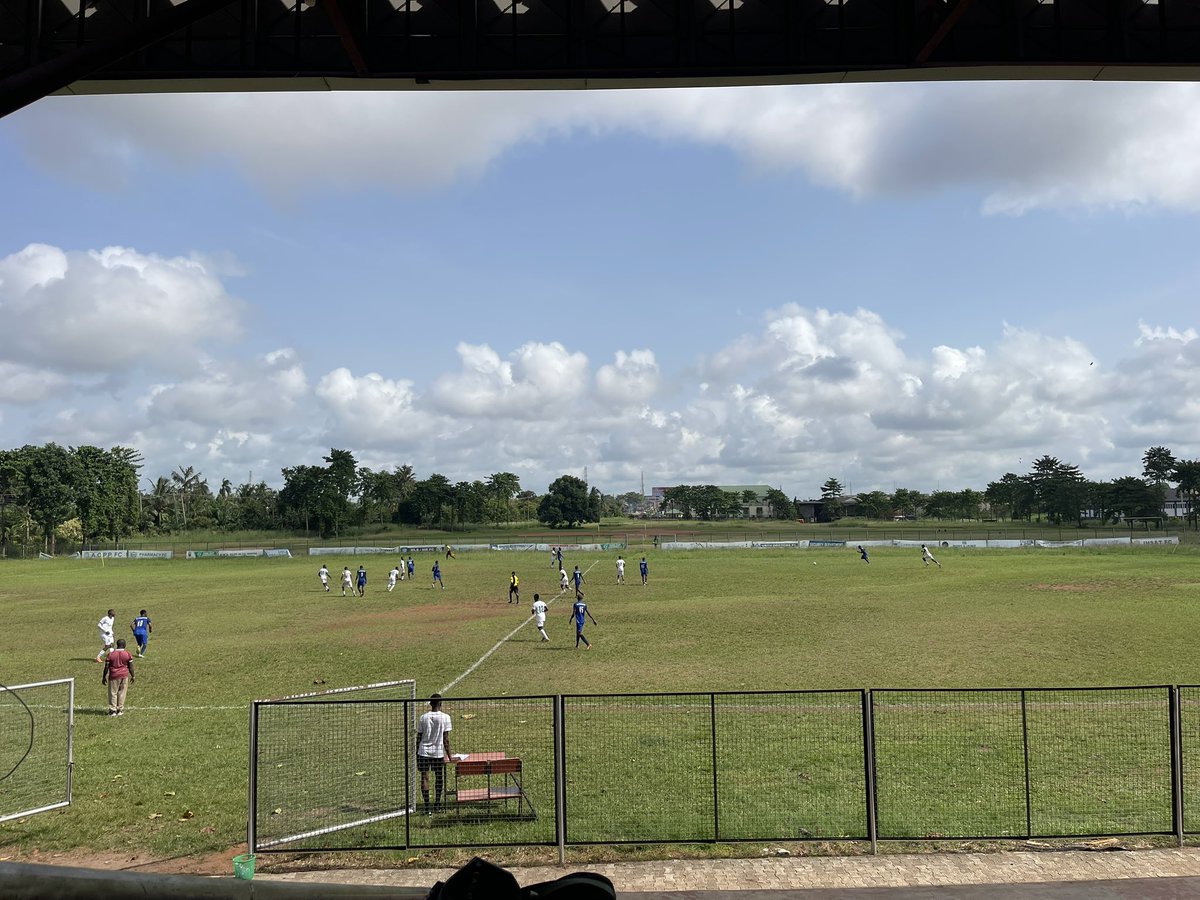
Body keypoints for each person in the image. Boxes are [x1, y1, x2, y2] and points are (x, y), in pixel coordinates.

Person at [416, 693, 452, 814]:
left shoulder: (423, 717)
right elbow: (445, 739)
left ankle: (427, 807)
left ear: (430, 704)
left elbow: (419, 737)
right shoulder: (445, 717)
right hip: (437, 753)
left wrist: (417, 752)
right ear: (441, 704)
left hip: (423, 751)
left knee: (424, 778)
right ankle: (437, 804)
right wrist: (450, 755)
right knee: (439, 777)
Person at [102, 638, 135, 716]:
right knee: (122, 692)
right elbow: (131, 666)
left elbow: (106, 666)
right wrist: (133, 675)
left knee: (113, 693)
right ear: (124, 645)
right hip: (124, 675)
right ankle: (120, 709)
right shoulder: (127, 654)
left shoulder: (111, 654)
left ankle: (112, 710)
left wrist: (104, 676)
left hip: (113, 675)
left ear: (117, 645)